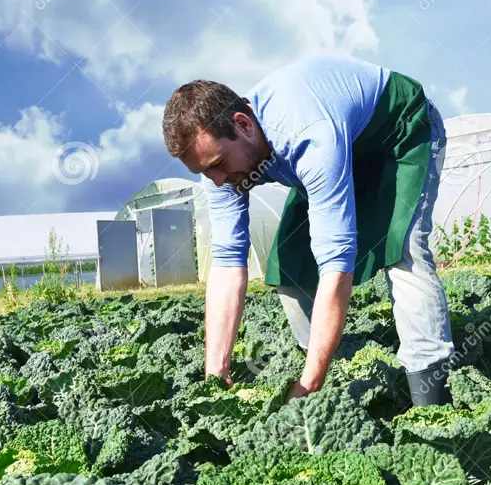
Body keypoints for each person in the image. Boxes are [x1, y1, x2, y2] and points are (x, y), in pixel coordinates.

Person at [162, 56, 454, 406]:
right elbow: (226, 264)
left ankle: (432, 394)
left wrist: (307, 385)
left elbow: (336, 266)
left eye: (218, 164)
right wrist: (215, 373)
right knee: (291, 264)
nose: (218, 180)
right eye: (205, 172)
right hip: (336, 149)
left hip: (398, 134)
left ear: (243, 125)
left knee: (404, 251)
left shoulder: (306, 135)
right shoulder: (220, 171)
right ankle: (347, 374)